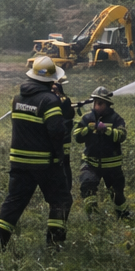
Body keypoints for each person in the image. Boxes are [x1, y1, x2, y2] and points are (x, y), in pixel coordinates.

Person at [0, 56, 72, 252]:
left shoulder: (17, 99)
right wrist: (59, 155)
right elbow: (57, 131)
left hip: (19, 162)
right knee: (61, 200)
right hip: (44, 164)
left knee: (13, 204)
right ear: (50, 80)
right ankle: (54, 246)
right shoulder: (49, 101)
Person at [73, 85, 129, 217]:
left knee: (117, 194)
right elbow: (77, 136)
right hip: (90, 163)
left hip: (112, 166)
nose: (96, 106)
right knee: (88, 187)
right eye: (95, 103)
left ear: (107, 105)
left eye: (100, 103)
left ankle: (124, 217)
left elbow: (121, 136)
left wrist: (106, 130)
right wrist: (88, 129)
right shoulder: (87, 119)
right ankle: (94, 217)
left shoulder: (116, 119)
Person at [53, 70, 78, 208]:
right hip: (51, 142)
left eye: (56, 90)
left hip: (63, 140)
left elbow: (69, 118)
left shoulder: (64, 101)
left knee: (65, 164)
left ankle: (66, 189)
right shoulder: (47, 101)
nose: (54, 92)